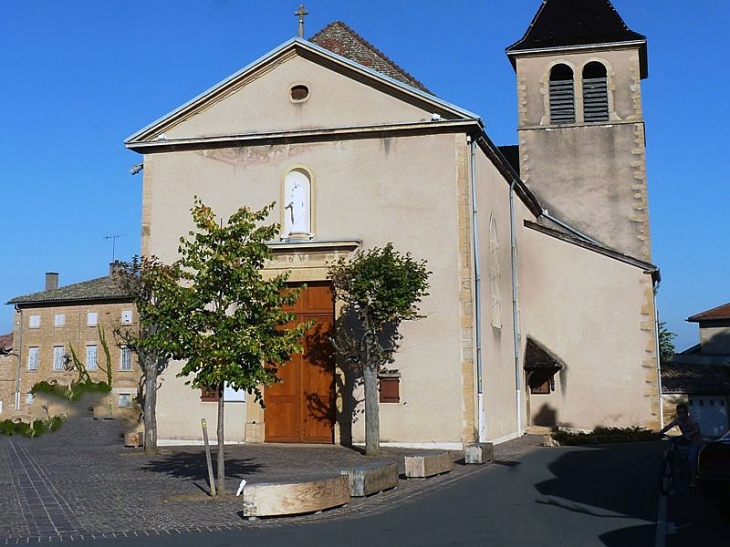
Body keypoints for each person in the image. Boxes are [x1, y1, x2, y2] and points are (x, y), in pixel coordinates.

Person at [659, 404, 703, 486]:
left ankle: (693, 480)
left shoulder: (692, 420)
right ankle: (678, 467)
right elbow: (669, 426)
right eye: (679, 413)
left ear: (687, 413)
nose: (681, 414)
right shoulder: (678, 420)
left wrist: (689, 434)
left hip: (695, 441)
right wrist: (660, 432)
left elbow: (697, 430)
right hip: (685, 440)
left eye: (683, 412)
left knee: (691, 459)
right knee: (675, 447)